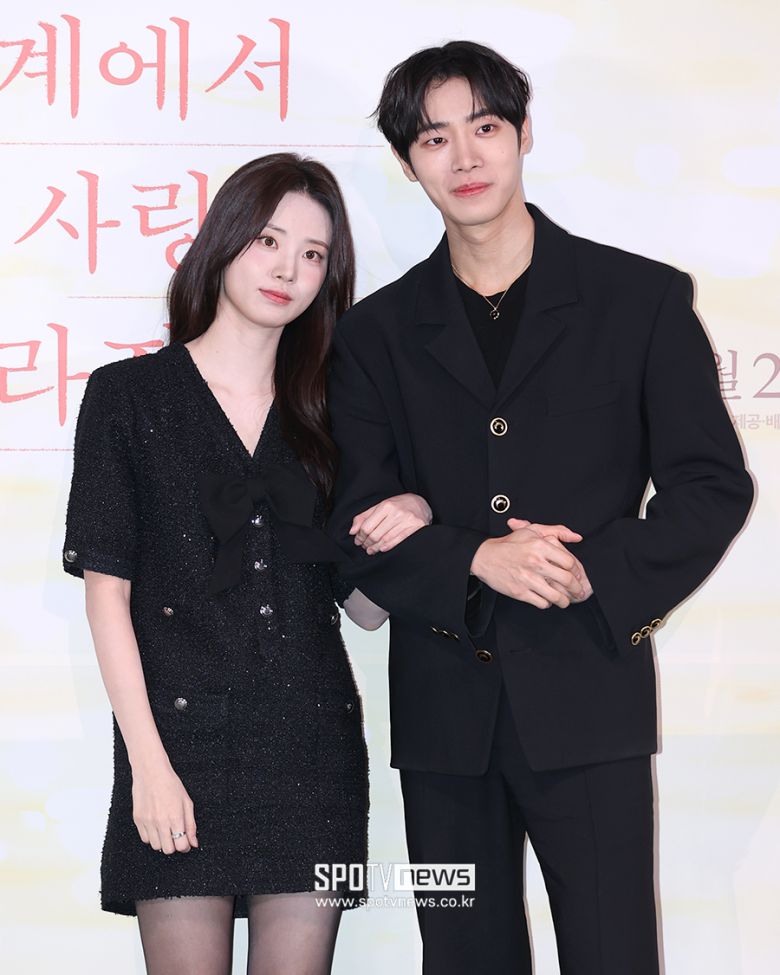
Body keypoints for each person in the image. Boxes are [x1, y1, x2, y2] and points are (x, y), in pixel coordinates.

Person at [327, 42, 754, 975]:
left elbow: (712, 484)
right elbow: (355, 524)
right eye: (434, 138)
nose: (464, 156)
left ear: (524, 134)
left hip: (590, 695)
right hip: (443, 721)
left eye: (484, 127)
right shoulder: (372, 335)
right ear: (408, 162)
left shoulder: (638, 299)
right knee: (461, 958)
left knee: (614, 956)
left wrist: (590, 572)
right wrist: (475, 557)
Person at [62, 152, 430, 975]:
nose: (287, 269)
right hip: (176, 747)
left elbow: (364, 607)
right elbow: (106, 598)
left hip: (311, 751)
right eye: (269, 240)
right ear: (226, 240)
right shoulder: (128, 396)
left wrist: (415, 515)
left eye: (313, 254)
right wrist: (148, 767)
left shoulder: (329, 414)